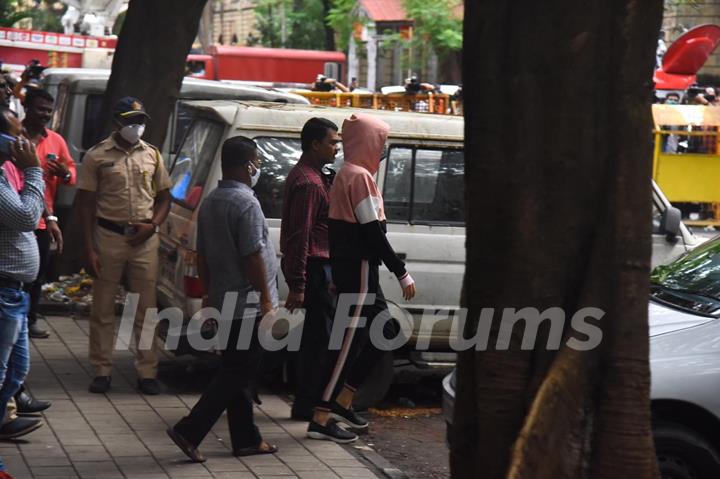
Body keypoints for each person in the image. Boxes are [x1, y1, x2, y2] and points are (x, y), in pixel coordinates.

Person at [167, 136, 279, 462]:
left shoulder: (213, 201)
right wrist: (266, 300)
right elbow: (252, 255)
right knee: (237, 372)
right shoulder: (247, 204)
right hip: (246, 303)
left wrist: (206, 295)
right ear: (247, 165)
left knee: (237, 369)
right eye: (256, 160)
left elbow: (202, 254)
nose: (258, 167)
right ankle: (189, 430)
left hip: (222, 297)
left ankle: (246, 439)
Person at [306, 114, 416, 443]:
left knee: (388, 328)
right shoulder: (359, 177)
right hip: (360, 270)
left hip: (359, 269)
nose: (381, 150)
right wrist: (401, 270)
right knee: (346, 345)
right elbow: (372, 234)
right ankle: (321, 417)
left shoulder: (351, 174)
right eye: (379, 142)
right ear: (369, 143)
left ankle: (343, 399)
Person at [76, 97, 171, 395]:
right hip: (109, 236)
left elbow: (165, 198)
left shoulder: (153, 155)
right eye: (131, 120)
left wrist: (153, 225)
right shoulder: (97, 156)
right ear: (117, 122)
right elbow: (86, 204)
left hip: (144, 238)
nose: (136, 126)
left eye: (141, 120)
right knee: (103, 306)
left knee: (146, 308)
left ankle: (147, 371)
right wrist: (89, 248)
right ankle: (102, 369)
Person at [280, 118, 340, 420]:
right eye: (332, 142)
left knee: (315, 338)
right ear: (315, 144)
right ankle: (306, 404)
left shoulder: (313, 176)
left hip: (317, 267)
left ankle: (306, 401)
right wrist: (299, 283)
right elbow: (299, 235)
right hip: (316, 268)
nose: (336, 148)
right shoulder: (309, 183)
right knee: (319, 341)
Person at [0, 106, 46, 477]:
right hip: (3, 293)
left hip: (15, 293)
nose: (24, 142)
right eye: (16, 135)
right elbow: (26, 217)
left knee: (16, 373)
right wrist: (34, 170)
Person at [21, 88, 77, 339]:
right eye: (39, 108)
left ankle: (29, 320)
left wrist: (64, 172)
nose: (44, 114)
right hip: (11, 216)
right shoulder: (12, 135)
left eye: (48, 110)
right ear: (26, 108)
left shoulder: (56, 140)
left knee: (37, 273)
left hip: (43, 220)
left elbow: (71, 175)